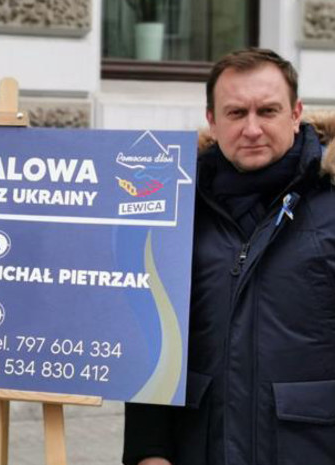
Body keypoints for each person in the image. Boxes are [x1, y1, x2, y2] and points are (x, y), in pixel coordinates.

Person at [123, 48, 335, 465]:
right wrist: (149, 451)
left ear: (295, 114)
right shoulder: (176, 207)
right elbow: (152, 336)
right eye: (236, 113)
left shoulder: (330, 200)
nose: (252, 129)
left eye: (267, 111)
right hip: (200, 446)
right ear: (212, 120)